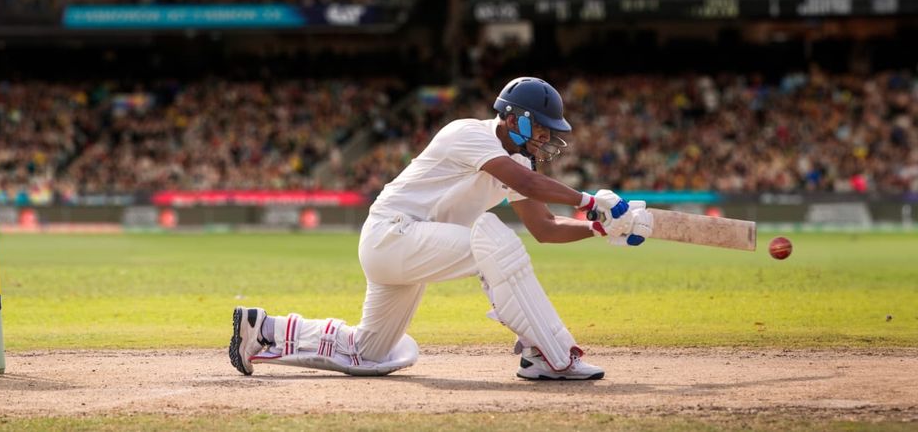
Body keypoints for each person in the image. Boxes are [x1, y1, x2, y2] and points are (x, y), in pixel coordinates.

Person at [229, 77, 653, 380]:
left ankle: (262, 328)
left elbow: (543, 227)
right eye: (541, 126)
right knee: (492, 239)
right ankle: (549, 354)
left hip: (409, 249)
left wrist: (598, 228)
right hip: (392, 234)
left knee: (369, 353)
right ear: (514, 118)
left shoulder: (518, 163)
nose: (545, 136)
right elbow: (526, 184)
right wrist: (590, 201)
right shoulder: (469, 134)